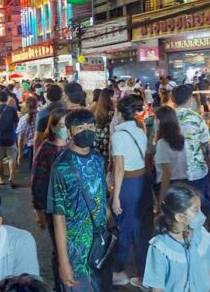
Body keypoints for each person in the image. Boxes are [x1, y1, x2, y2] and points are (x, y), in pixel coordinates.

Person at [47, 109, 113, 292]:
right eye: (80, 127)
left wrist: (111, 225)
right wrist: (63, 262)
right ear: (69, 132)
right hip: (75, 250)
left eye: (91, 126)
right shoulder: (62, 167)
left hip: (100, 243)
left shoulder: (98, 159)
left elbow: (101, 196)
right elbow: (58, 216)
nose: (87, 131)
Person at [111, 95, 153, 289]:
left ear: (119, 113)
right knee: (140, 227)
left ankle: (119, 270)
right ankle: (144, 273)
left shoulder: (119, 135)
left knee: (124, 227)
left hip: (127, 184)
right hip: (142, 182)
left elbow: (119, 168)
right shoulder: (140, 130)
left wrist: (116, 197)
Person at [143, 184, 210, 292]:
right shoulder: (160, 248)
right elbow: (157, 288)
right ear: (179, 217)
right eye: (195, 210)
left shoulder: (202, 235)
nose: (201, 215)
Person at [31, 108, 68, 291]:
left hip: (75, 207)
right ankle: (59, 285)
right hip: (53, 207)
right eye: (61, 126)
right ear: (52, 128)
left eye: (68, 125)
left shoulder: (76, 146)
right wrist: (38, 211)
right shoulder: (45, 149)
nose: (65, 129)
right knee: (59, 248)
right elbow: (37, 181)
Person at [173, 85, 210, 212]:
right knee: (199, 207)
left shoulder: (163, 119)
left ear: (173, 99)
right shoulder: (197, 118)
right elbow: (206, 145)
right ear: (189, 100)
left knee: (178, 209)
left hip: (173, 172)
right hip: (196, 172)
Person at [154, 106, 188, 206]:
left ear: (161, 121)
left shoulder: (163, 143)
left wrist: (161, 200)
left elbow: (167, 173)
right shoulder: (182, 139)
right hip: (185, 182)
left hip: (170, 186)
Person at [33, 84, 63, 154]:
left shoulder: (42, 113)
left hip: (47, 149)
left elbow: (37, 138)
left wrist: (35, 156)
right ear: (61, 96)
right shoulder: (66, 109)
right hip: (64, 148)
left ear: (47, 96)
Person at [93, 88, 115, 168]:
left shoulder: (98, 110)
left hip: (98, 142)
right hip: (107, 142)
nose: (115, 98)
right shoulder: (112, 112)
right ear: (109, 97)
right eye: (114, 96)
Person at [16, 96, 38, 169]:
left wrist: (20, 154)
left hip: (31, 147)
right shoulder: (41, 115)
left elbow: (20, 138)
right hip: (43, 145)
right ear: (37, 105)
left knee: (33, 170)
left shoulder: (24, 119)